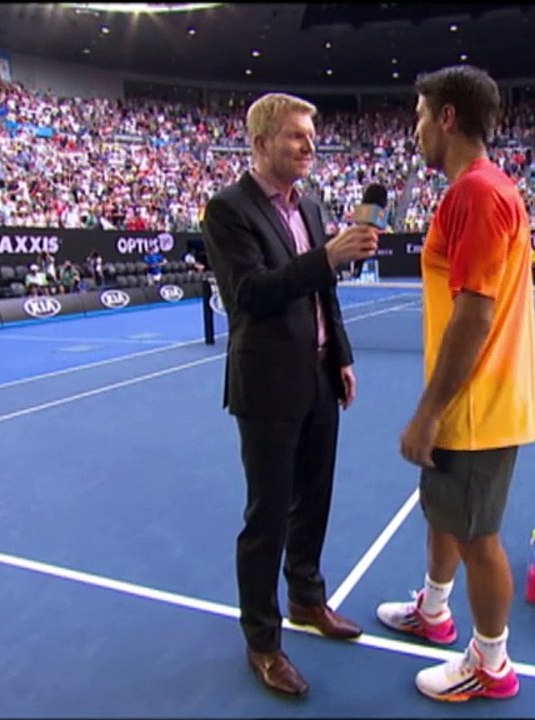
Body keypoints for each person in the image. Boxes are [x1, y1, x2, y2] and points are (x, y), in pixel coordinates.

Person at [201, 92, 380, 698]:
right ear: (260, 143)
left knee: (316, 501)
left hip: (320, 377)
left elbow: (323, 289)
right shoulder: (226, 210)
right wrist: (326, 256)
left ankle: (307, 599)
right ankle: (263, 641)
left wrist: (344, 356)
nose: (309, 146)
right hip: (267, 385)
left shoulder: (312, 203)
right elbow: (249, 294)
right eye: (296, 137)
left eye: (311, 136)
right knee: (268, 515)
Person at [375, 65, 535, 703]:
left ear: (447, 118)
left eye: (420, 115)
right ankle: (434, 609)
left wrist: (428, 412)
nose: (414, 129)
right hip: (478, 399)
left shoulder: (474, 192)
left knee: (477, 537)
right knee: (443, 513)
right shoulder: (491, 188)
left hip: (474, 404)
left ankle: (491, 664)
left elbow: (473, 316)